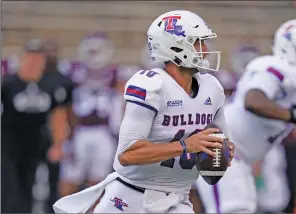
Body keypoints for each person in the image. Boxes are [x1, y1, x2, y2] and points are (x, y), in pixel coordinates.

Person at [53, 10, 235, 213]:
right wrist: (185, 146)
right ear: (174, 46)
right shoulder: (151, 85)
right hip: (131, 198)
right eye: (198, 42)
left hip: (177, 199)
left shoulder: (212, 87)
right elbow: (127, 153)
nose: (206, 49)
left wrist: (223, 152)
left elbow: (221, 141)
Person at [194, 19, 296, 213]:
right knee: (231, 210)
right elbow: (253, 100)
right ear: (288, 50)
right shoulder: (273, 67)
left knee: (245, 209)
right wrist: (295, 116)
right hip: (221, 149)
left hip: (242, 157)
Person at [1, 38, 73, 213]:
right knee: (10, 192)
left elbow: (59, 116)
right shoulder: (9, 83)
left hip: (38, 145)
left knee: (38, 190)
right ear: (24, 57)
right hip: (10, 146)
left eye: (38, 56)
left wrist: (58, 145)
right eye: (31, 56)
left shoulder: (52, 83)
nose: (34, 61)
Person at [57, 31, 127, 197]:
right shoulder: (71, 70)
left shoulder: (116, 73)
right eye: (92, 50)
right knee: (70, 178)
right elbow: (63, 102)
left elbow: (124, 99)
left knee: (98, 180)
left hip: (104, 132)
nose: (95, 54)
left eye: (99, 50)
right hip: (78, 131)